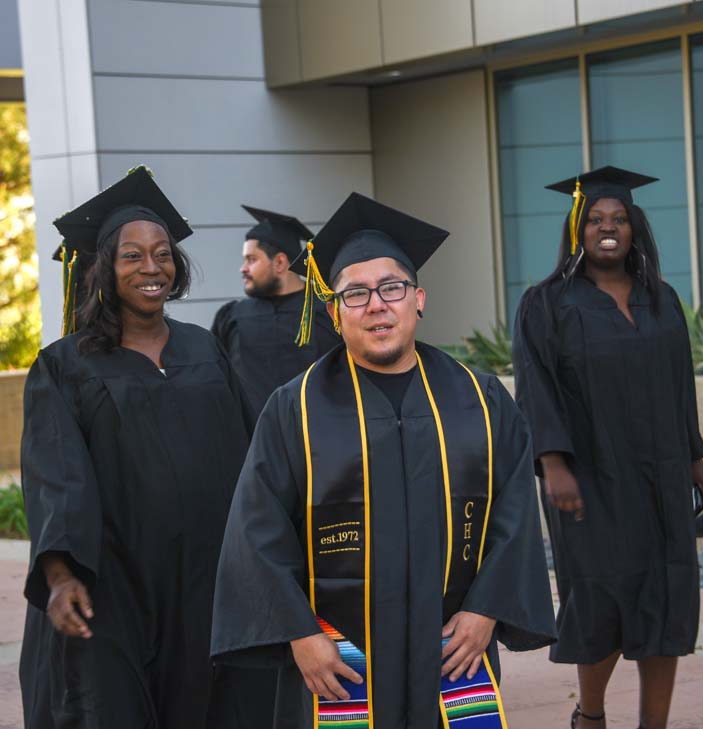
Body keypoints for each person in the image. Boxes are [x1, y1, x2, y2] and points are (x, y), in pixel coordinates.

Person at [211, 192, 557, 729]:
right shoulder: (294, 408)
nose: (377, 305)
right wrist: (301, 635)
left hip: (451, 647)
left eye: (391, 288)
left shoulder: (480, 400)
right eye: (355, 294)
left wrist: (487, 609)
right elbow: (258, 530)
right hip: (334, 658)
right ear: (333, 312)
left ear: (418, 298)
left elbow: (514, 515)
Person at [19, 166, 252, 729]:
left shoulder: (205, 348)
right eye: (132, 255)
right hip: (113, 585)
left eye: (163, 253)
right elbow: (56, 474)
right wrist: (60, 573)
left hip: (203, 583)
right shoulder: (66, 364)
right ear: (105, 269)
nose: (152, 267)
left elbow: (251, 457)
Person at [512, 166, 703, 729]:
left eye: (619, 219)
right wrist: (552, 462)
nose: (608, 228)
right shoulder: (546, 304)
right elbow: (535, 385)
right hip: (590, 477)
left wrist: (694, 455)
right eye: (596, 218)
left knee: (667, 595)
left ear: (635, 228)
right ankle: (591, 716)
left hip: (662, 474)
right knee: (600, 597)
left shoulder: (662, 298)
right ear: (578, 228)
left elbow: (680, 379)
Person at [211, 206, 340, 418]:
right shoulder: (233, 316)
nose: (243, 268)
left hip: (318, 437)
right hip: (253, 443)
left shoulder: (327, 311)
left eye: (252, 259)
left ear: (280, 262)